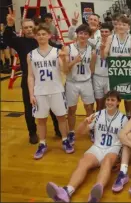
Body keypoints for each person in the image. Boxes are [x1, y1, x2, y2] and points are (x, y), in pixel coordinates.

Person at [46, 90, 128, 202]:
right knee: (83, 162)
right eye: (108, 100)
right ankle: (67, 191)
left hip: (113, 149)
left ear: (118, 102)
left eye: (113, 100)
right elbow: (79, 133)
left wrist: (122, 160)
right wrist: (85, 122)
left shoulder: (123, 119)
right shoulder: (97, 115)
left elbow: (126, 142)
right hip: (97, 147)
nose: (109, 102)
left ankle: (96, 193)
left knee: (107, 162)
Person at [4, 9, 61, 144]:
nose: (29, 29)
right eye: (26, 28)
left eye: (31, 27)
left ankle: (58, 129)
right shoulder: (19, 42)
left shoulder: (42, 40)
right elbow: (7, 39)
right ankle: (32, 133)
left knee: (52, 106)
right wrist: (9, 25)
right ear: (22, 30)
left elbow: (57, 47)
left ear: (34, 27)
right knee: (29, 108)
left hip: (46, 80)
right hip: (28, 80)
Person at [27, 24, 72, 159]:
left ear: (49, 36)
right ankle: (42, 143)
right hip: (39, 92)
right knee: (41, 120)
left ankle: (65, 140)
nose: (41, 36)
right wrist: (31, 94)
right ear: (35, 36)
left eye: (44, 34)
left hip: (56, 90)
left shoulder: (57, 52)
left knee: (61, 117)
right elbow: (30, 76)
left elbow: (65, 71)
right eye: (39, 34)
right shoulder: (30, 55)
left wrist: (64, 59)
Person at [64, 24, 97, 145]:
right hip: (71, 83)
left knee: (89, 108)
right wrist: (74, 61)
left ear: (89, 36)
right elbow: (65, 69)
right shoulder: (68, 48)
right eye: (81, 33)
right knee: (72, 109)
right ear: (77, 34)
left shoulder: (92, 51)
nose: (83, 36)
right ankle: (71, 132)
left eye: (85, 34)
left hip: (86, 82)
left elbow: (92, 69)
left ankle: (91, 129)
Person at [103, 14, 131, 118]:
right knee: (113, 100)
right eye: (119, 24)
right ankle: (113, 120)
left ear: (128, 27)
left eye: (124, 24)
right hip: (113, 73)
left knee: (130, 100)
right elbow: (105, 55)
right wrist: (105, 52)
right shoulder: (110, 38)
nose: (121, 26)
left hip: (127, 72)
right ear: (115, 26)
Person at [93, 23, 113, 111]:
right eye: (102, 31)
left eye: (106, 32)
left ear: (111, 32)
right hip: (97, 76)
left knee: (110, 104)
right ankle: (98, 122)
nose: (104, 33)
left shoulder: (115, 43)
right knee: (99, 104)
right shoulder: (95, 42)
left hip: (109, 77)